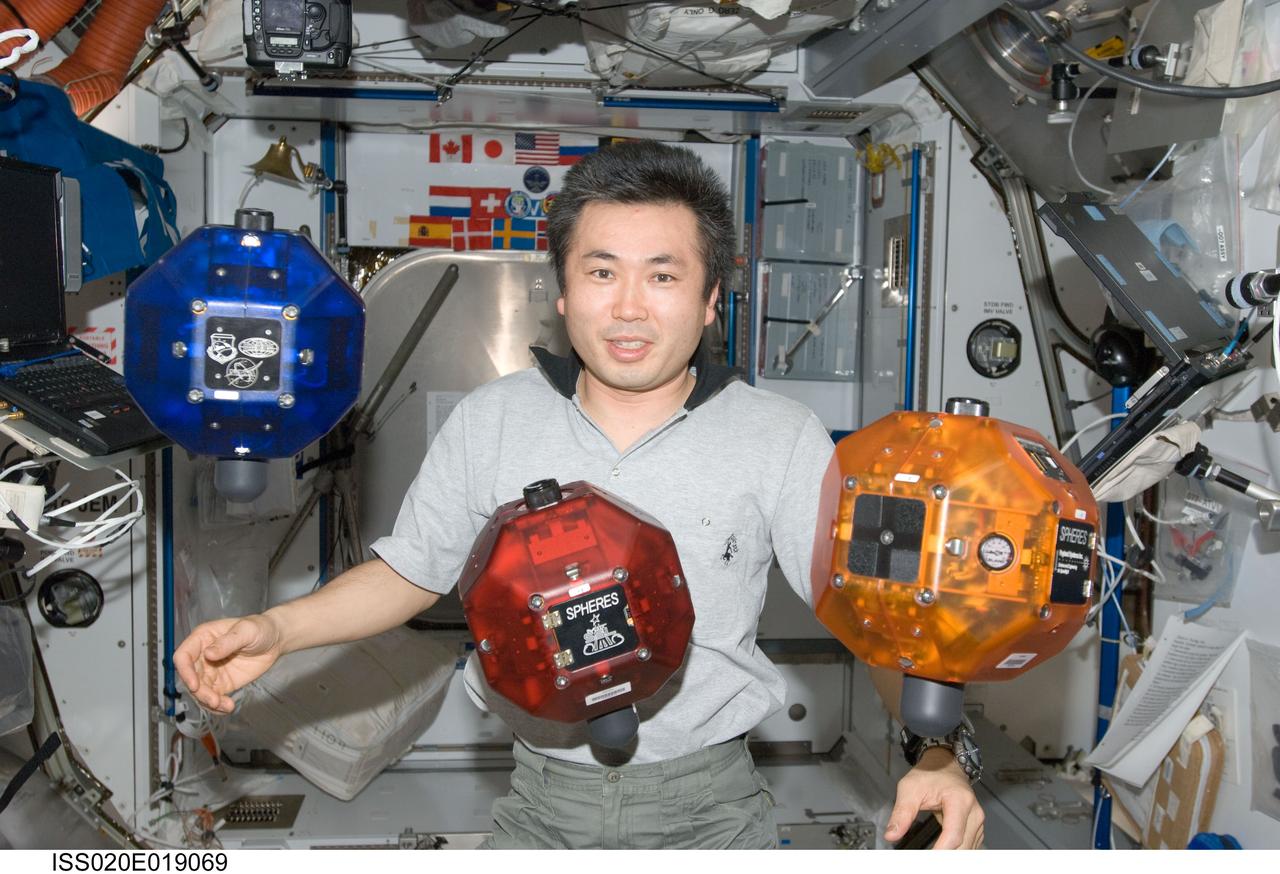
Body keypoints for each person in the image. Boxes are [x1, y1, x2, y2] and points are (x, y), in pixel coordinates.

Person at [174, 140, 984, 850]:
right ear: (562, 292)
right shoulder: (494, 421)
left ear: (710, 301)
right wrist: (277, 629)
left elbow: (874, 617)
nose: (628, 307)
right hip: (539, 802)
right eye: (601, 272)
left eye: (663, 275)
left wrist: (938, 752)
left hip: (714, 811)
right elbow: (412, 572)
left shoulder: (779, 435)